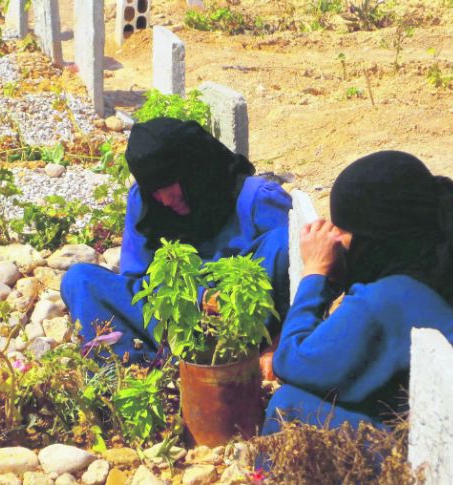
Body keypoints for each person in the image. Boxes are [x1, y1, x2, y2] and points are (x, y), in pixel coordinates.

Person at [262, 151, 453, 474]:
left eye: (344, 229)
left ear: (374, 238)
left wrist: (316, 273)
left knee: (286, 406)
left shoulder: (389, 298)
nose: (334, 238)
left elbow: (290, 361)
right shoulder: (448, 262)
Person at [61, 117, 292, 375]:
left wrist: (276, 343)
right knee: (80, 280)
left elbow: (305, 273)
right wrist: (193, 298)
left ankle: (228, 366)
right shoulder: (147, 201)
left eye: (168, 185)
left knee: (284, 241)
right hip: (172, 321)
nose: (164, 199)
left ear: (193, 169)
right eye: (154, 191)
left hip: (240, 324)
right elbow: (137, 282)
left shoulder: (256, 199)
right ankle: (141, 370)